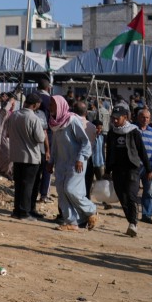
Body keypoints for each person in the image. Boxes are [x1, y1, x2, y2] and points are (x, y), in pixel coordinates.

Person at [48, 96, 98, 232]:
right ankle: (72, 222)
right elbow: (55, 145)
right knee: (61, 191)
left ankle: (91, 210)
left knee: (71, 189)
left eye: (53, 104)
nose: (50, 107)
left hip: (76, 163)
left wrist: (81, 158)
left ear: (60, 106)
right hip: (61, 163)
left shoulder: (72, 121)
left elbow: (85, 142)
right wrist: (51, 161)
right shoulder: (55, 123)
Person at [105, 104, 152, 237]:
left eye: (117, 118)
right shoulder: (111, 133)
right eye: (112, 118)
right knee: (122, 197)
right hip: (117, 169)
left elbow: (142, 151)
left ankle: (133, 224)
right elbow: (109, 152)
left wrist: (149, 169)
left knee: (131, 195)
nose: (114, 120)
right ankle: (131, 220)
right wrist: (107, 170)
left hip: (132, 169)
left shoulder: (134, 132)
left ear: (124, 117)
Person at [4, 93, 46, 220]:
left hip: (17, 156)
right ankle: (24, 212)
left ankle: (17, 210)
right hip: (31, 157)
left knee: (18, 185)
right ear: (34, 105)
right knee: (28, 186)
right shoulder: (33, 118)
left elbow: (8, 133)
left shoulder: (14, 115)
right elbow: (40, 138)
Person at [135, 108, 152, 223]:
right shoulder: (133, 130)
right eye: (143, 117)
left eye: (147, 118)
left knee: (149, 191)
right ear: (139, 117)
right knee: (133, 191)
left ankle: (147, 215)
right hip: (135, 165)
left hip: (150, 166)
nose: (145, 119)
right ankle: (133, 213)